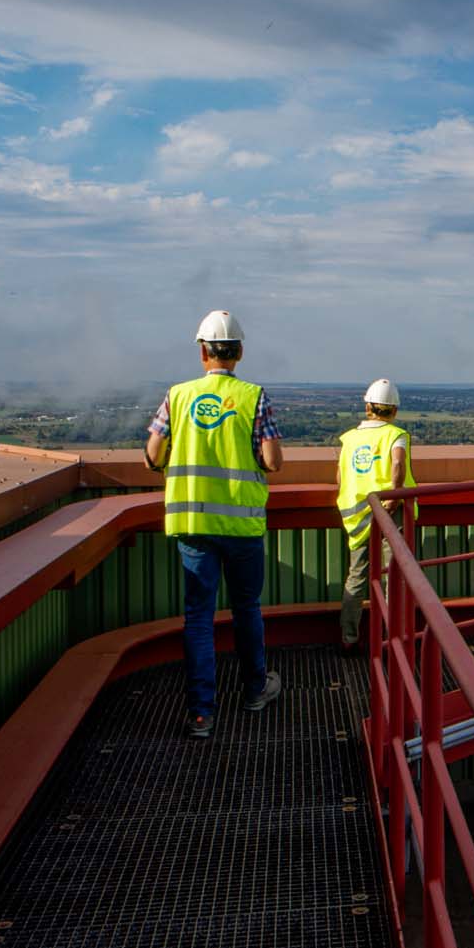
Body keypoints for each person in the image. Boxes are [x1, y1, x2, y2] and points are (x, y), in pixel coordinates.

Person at [145, 309, 287, 737]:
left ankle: (202, 713)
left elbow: (153, 455)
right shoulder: (253, 396)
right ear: (239, 352)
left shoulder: (177, 395)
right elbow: (273, 461)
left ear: (203, 351)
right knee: (246, 609)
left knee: (199, 618)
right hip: (242, 527)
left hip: (193, 525)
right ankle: (254, 690)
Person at [336, 378, 414, 648]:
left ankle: (348, 638)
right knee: (395, 576)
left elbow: (340, 477)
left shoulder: (349, 438)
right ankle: (395, 638)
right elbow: (398, 464)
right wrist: (393, 495)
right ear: (394, 410)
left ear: (368, 406)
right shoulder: (396, 435)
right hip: (389, 511)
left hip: (357, 515)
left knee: (356, 576)